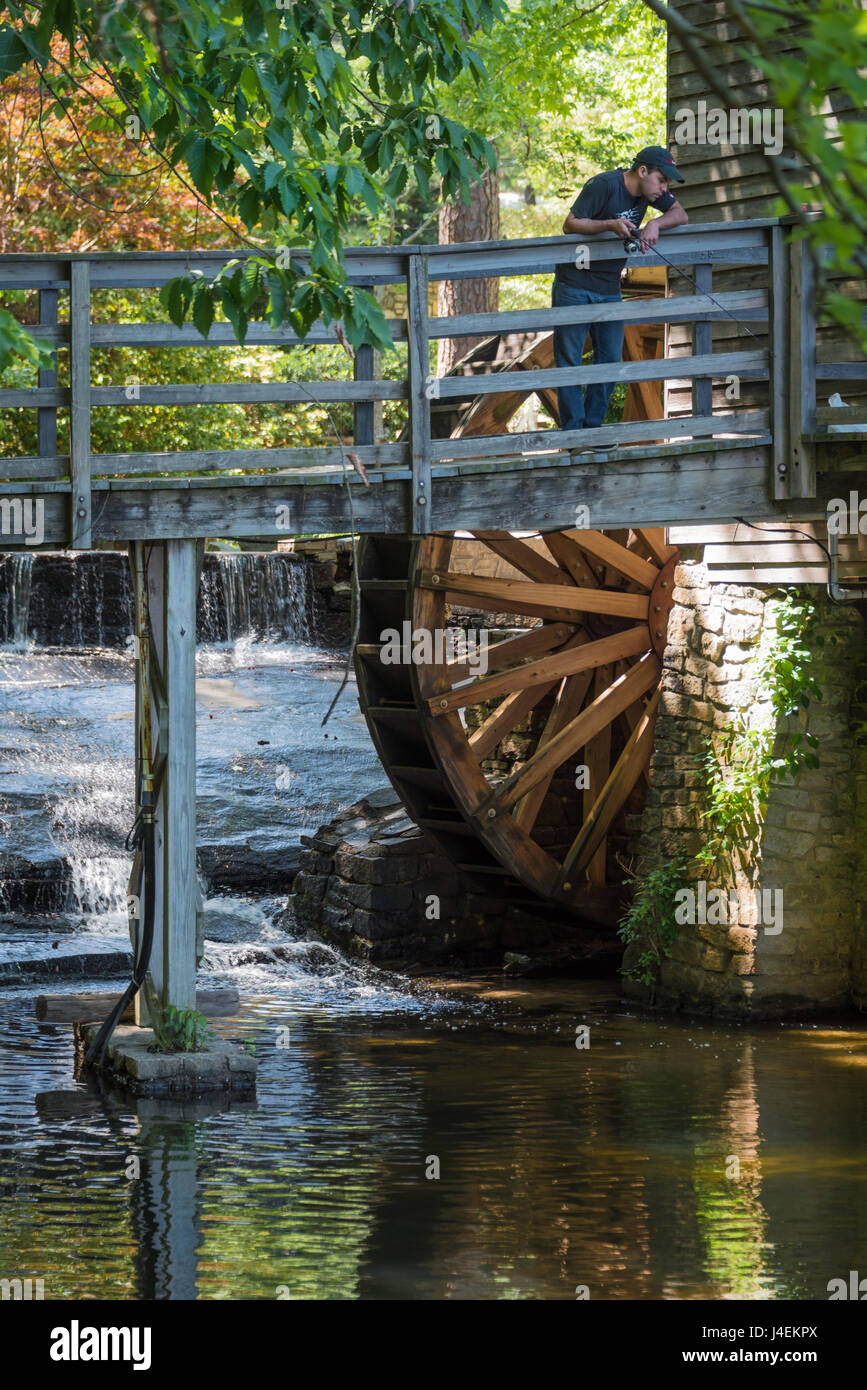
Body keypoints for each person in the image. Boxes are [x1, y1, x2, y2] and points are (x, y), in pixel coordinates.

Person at [552, 145, 688, 441]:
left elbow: (681, 214)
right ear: (643, 171)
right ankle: (573, 436)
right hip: (573, 283)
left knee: (610, 358)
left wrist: (655, 222)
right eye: (661, 180)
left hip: (609, 285)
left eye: (666, 183)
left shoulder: (651, 193)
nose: (664, 188)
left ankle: (593, 430)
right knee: (569, 359)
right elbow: (570, 223)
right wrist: (611, 225)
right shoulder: (604, 184)